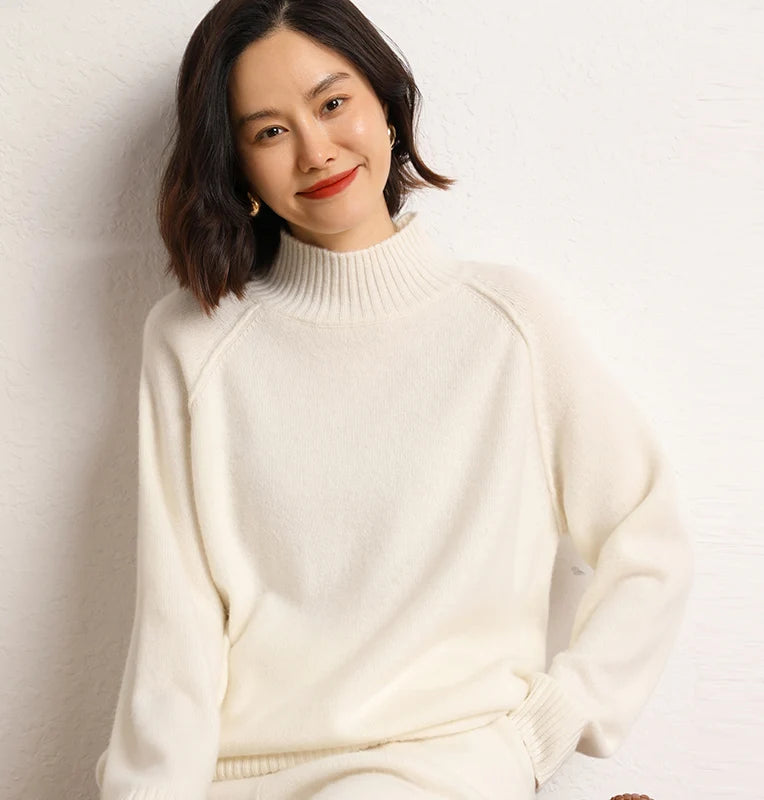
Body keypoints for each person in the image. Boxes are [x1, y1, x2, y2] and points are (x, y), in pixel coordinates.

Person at [93, 1, 694, 798]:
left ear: (386, 105)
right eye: (269, 132)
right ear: (235, 166)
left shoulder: (509, 325)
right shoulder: (195, 340)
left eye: (332, 103)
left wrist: (546, 728)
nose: (315, 150)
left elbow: (649, 537)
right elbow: (177, 625)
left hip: (444, 775)